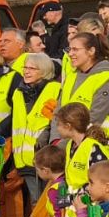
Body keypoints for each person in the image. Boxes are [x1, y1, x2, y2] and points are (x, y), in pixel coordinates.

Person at [12, 52, 62, 206]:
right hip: (24, 159)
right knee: (36, 202)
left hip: (46, 156)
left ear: (44, 70)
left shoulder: (55, 89)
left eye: (32, 68)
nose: (26, 71)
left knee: (50, 202)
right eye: (25, 68)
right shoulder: (18, 92)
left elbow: (55, 121)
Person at [61, 33, 109, 144]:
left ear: (91, 51)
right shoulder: (71, 77)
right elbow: (58, 112)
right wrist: (55, 141)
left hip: (98, 148)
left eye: (75, 49)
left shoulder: (107, 79)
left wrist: (62, 145)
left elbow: (94, 118)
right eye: (69, 49)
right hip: (69, 147)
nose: (70, 54)